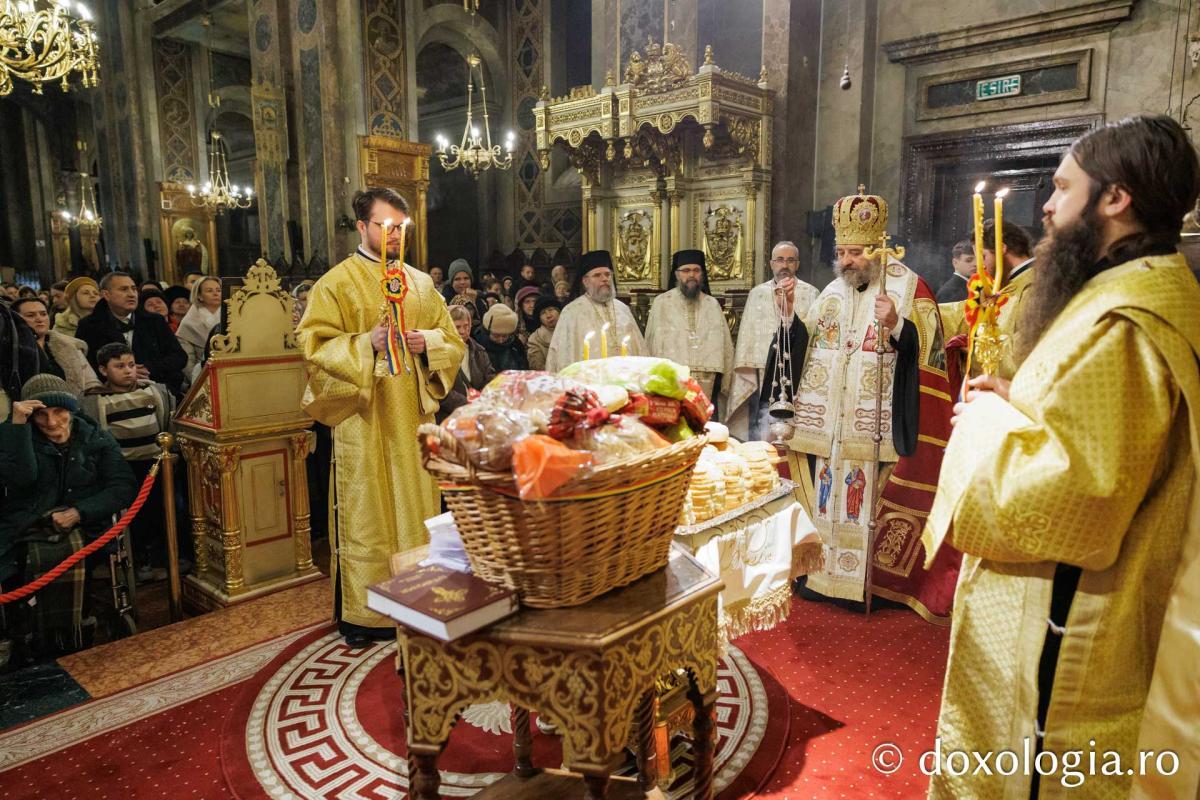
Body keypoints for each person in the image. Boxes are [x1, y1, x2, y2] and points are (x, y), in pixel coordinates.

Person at [923, 115, 1200, 800]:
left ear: (1116, 198)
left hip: (1069, 620)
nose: (1046, 206)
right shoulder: (1125, 288)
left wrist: (983, 425)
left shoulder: (1126, 318)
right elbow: (1094, 417)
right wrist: (1016, 395)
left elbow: (1080, 495)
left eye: (1062, 187)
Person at [297, 187, 463, 648]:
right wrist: (363, 344)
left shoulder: (421, 283)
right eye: (384, 225)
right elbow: (312, 345)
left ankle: (420, 602)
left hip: (413, 421)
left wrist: (428, 342)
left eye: (401, 227)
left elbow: (452, 340)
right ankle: (367, 615)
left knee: (418, 513)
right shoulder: (336, 283)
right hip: (365, 420)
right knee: (366, 517)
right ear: (361, 226)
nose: (394, 235)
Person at [785, 187, 957, 621]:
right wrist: (788, 320)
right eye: (841, 253)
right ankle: (822, 578)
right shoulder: (831, 293)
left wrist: (897, 324)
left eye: (856, 253)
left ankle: (869, 583)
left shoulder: (910, 287)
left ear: (879, 248)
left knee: (865, 504)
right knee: (827, 497)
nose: (847, 261)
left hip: (878, 425)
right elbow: (803, 347)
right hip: (830, 427)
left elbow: (932, 357)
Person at [0, 374, 136, 656]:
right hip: (24, 525)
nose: (51, 422)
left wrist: (79, 512)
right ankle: (26, 633)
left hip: (85, 526)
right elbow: (21, 479)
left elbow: (122, 486)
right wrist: (18, 427)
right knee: (18, 562)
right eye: (41, 414)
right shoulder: (15, 435)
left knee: (71, 551)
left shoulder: (95, 438)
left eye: (59, 412)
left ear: (71, 410)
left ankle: (71, 630)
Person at [83, 342, 177, 582]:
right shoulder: (96, 400)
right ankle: (134, 562)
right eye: (119, 366)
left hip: (154, 464)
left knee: (157, 513)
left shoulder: (153, 391)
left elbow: (167, 421)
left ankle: (157, 559)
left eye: (131, 365)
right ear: (103, 370)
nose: (128, 371)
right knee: (132, 518)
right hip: (123, 469)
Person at [726, 241, 819, 440]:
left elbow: (814, 336)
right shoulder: (757, 294)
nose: (784, 265)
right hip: (763, 372)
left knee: (796, 429)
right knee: (761, 429)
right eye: (779, 260)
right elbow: (747, 338)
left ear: (797, 264)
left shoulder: (811, 293)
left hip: (798, 371)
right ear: (771, 264)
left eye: (790, 260)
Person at [941, 221, 1036, 384]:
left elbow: (1025, 352)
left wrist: (973, 348)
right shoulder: (1010, 286)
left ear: (1002, 248)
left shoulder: (1033, 286)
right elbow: (963, 315)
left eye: (983, 257)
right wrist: (916, 307)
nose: (981, 266)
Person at [644, 249, 735, 413]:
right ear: (677, 274)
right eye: (686, 270)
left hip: (708, 382)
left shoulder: (712, 304)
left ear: (702, 274)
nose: (691, 275)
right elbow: (651, 343)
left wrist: (727, 380)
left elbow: (726, 347)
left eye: (696, 270)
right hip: (672, 380)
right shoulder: (662, 303)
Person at [75, 271, 188, 400]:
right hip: (110, 397)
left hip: (158, 391)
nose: (131, 294)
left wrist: (147, 369)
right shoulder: (89, 326)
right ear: (106, 295)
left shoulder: (155, 321)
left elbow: (179, 357)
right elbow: (85, 366)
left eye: (134, 289)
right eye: (124, 289)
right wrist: (120, 374)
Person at [545, 250, 646, 371]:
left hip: (625, 375)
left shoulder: (623, 309)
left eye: (607, 274)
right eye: (597, 275)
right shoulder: (571, 312)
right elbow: (563, 355)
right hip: (590, 378)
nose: (604, 279)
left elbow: (639, 348)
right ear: (585, 281)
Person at [11, 298, 100, 398]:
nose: (39, 319)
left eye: (43, 314)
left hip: (71, 404)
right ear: (16, 319)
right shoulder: (9, 351)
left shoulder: (69, 345)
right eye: (31, 315)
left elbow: (91, 384)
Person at [437, 305, 496, 423]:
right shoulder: (439, 353)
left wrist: (483, 400)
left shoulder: (479, 351)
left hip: (477, 413)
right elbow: (440, 389)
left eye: (466, 326)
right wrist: (468, 404)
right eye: (457, 327)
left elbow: (490, 378)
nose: (463, 331)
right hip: (449, 418)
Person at [175, 275, 222, 379]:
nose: (216, 293)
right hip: (202, 376)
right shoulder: (189, 323)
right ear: (199, 295)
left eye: (218, 290)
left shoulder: (232, 315)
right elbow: (188, 362)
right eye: (209, 291)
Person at [476, 303, 528, 372]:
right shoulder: (477, 346)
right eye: (496, 336)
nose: (501, 340)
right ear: (487, 332)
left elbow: (524, 368)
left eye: (505, 336)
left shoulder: (516, 345)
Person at [525, 295, 561, 371]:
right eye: (543, 313)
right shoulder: (535, 340)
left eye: (551, 310)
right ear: (540, 319)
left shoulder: (571, 330)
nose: (548, 315)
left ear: (559, 312)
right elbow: (537, 368)